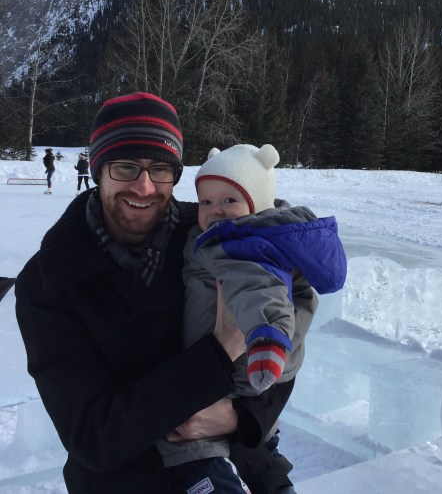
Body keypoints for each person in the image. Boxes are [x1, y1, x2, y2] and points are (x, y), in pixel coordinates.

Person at [15, 93, 296, 494]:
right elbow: (93, 436)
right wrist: (219, 353)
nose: (144, 186)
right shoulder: (51, 279)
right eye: (125, 167)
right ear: (98, 171)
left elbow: (288, 325)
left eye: (161, 169)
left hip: (248, 465)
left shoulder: (207, 232)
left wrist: (240, 417)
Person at [157, 144, 347, 494]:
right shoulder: (213, 237)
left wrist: (266, 339)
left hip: (240, 373)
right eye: (205, 202)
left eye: (229, 200)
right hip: (225, 385)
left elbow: (260, 292)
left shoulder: (243, 245)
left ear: (256, 203)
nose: (214, 211)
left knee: (205, 459)